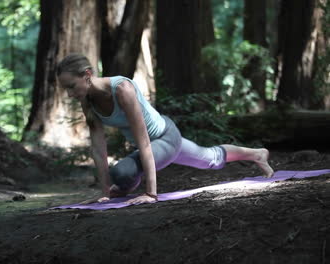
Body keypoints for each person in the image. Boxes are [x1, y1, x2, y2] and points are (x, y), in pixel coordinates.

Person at [56, 54, 274, 205]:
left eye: (71, 86)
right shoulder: (88, 100)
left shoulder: (122, 89)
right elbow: (98, 148)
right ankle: (257, 154)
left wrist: (151, 193)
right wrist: (104, 193)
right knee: (211, 158)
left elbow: (142, 142)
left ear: (87, 74)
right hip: (157, 145)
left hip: (165, 137)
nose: (69, 94)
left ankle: (126, 186)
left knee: (122, 173)